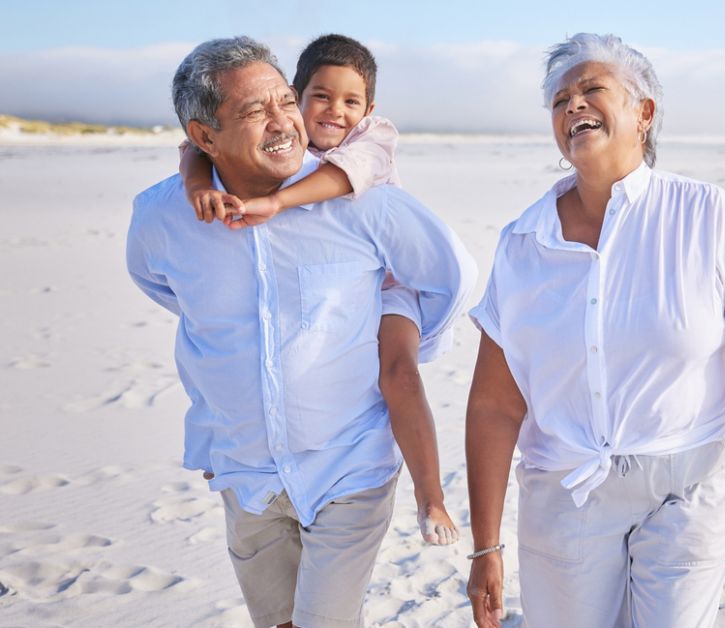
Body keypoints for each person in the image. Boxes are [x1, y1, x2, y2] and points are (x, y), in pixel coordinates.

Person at [126, 37, 476, 628]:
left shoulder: (363, 199)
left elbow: (452, 279)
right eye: (254, 111)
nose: (283, 121)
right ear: (204, 136)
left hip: (348, 464)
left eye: (285, 101)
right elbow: (161, 287)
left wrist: (401, 331)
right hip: (245, 472)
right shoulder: (163, 217)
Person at [464, 33, 725, 628]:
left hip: (687, 487)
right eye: (560, 100)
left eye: (592, 89)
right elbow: (493, 404)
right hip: (566, 491)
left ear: (644, 113)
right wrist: (485, 546)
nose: (573, 107)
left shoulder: (704, 214)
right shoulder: (522, 244)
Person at [178, 33, 459, 546]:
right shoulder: (279, 135)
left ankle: (430, 496)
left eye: (351, 101)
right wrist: (199, 187)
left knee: (398, 374)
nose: (335, 111)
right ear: (294, 96)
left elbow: (341, 181)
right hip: (335, 285)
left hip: (389, 281)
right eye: (320, 97)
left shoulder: (373, 139)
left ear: (369, 109)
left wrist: (279, 203)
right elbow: (192, 151)